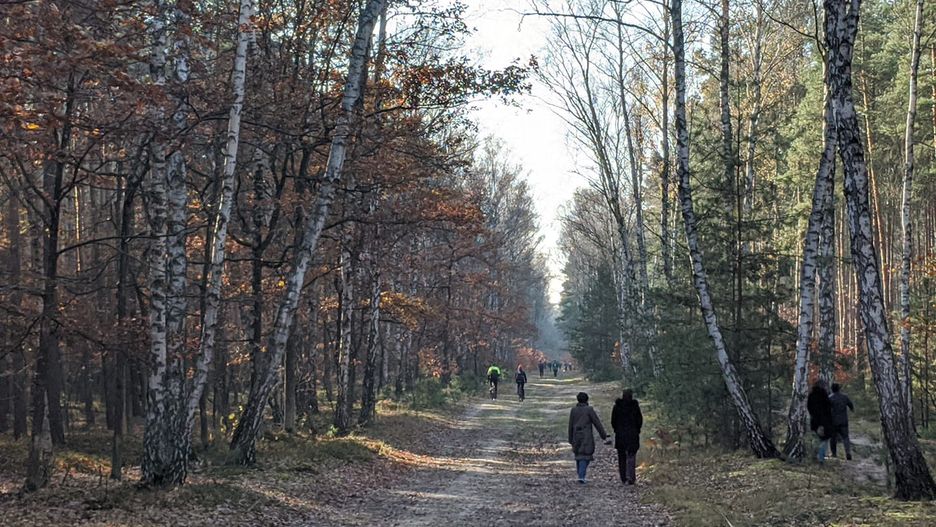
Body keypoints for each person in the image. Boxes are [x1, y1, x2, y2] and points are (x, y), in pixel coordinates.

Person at [568, 392, 610, 483]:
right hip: (586, 436)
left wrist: (570, 438)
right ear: (587, 400)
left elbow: (570, 425)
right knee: (585, 456)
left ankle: (580, 474)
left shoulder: (573, 410)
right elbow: (597, 423)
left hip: (576, 435)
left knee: (578, 454)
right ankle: (581, 476)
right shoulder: (589, 410)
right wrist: (603, 435)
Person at [611, 389, 643, 485]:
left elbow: (613, 421)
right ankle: (631, 477)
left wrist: (616, 430)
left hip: (620, 435)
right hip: (632, 434)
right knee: (631, 456)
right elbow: (639, 420)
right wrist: (637, 429)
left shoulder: (617, 407)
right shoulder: (635, 407)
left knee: (621, 457)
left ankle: (623, 477)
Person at [806, 380, 834, 463]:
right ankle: (821, 458)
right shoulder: (824, 395)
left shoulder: (811, 395)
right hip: (824, 421)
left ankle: (814, 456)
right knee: (824, 439)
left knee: (815, 438)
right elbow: (828, 409)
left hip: (814, 420)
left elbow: (809, 407)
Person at [829, 383, 854, 460]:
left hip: (833, 421)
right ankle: (848, 452)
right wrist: (852, 409)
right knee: (845, 437)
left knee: (833, 438)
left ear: (832, 389)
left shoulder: (830, 398)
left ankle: (833, 454)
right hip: (843, 421)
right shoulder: (844, 397)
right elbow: (850, 404)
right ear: (839, 388)